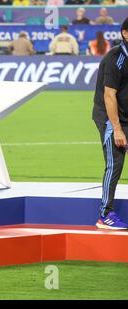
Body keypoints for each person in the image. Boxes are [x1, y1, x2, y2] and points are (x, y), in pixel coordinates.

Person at [92, 18, 128, 230]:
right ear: (125, 33)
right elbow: (109, 96)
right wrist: (117, 129)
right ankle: (105, 215)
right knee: (115, 164)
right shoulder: (116, 58)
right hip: (110, 118)